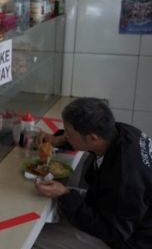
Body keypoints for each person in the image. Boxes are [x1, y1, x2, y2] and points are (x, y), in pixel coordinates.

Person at [33, 97, 152, 249]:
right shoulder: (121, 132)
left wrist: (64, 194)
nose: (66, 136)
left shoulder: (125, 176)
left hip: (129, 240)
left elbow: (113, 231)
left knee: (39, 235)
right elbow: (85, 138)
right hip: (118, 210)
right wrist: (58, 140)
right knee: (57, 207)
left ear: (92, 138)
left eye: (69, 133)